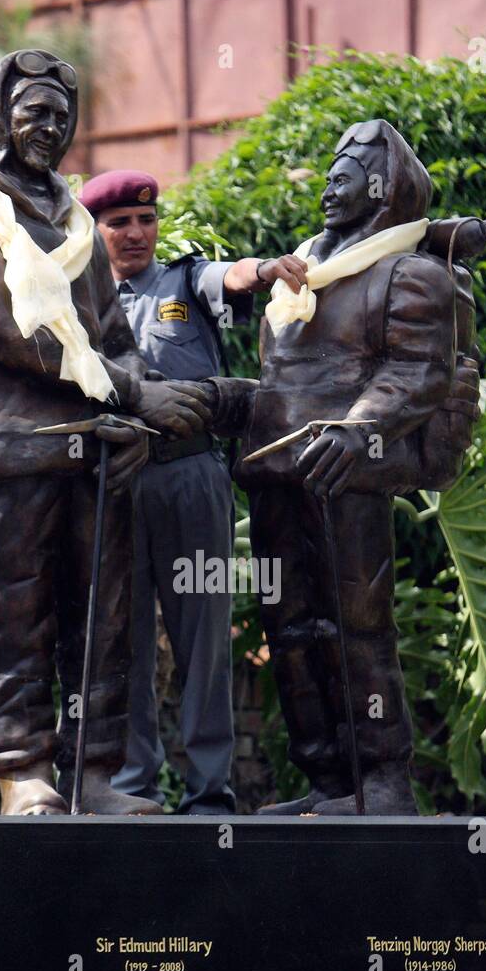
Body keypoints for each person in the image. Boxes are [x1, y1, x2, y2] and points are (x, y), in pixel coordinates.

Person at [0, 51, 209, 816]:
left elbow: (112, 335)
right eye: (34, 111)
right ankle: (21, 773)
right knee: (12, 619)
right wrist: (136, 390)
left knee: (103, 624)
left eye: (61, 115)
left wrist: (136, 409)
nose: (52, 126)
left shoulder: (77, 225)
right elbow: (19, 331)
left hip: (95, 451)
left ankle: (94, 776)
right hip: (8, 452)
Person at [201, 120, 486, 815]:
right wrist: (222, 402)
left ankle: (383, 781)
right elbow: (285, 381)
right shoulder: (299, 278)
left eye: (346, 172)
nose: (330, 183)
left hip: (350, 475)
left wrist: (361, 430)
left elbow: (418, 372)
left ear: (383, 187)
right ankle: (330, 779)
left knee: (359, 625)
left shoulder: (409, 274)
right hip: (277, 476)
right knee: (291, 629)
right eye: (329, 171)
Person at [81, 168, 306, 815]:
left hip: (191, 477)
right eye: (119, 223)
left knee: (203, 635)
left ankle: (210, 791)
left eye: (145, 220)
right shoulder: (79, 304)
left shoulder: (183, 279)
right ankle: (132, 789)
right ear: (95, 233)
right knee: (122, 637)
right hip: (114, 483)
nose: (135, 234)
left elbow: (228, 276)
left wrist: (264, 269)